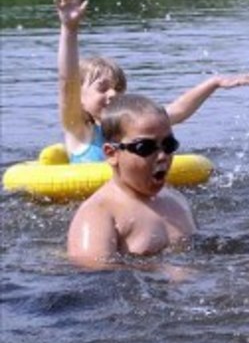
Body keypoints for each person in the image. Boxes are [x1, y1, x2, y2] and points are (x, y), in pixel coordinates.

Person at [55, 0, 249, 163]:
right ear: (79, 97)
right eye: (102, 88)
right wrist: (69, 30)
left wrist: (213, 83)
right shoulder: (78, 130)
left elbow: (178, 111)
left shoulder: (133, 125)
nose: (113, 93)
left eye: (119, 88)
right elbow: (67, 84)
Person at [67, 93, 197, 276]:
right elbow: (93, 271)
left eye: (168, 145)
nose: (162, 156)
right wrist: (161, 271)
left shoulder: (175, 199)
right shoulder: (99, 214)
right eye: (145, 148)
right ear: (112, 154)